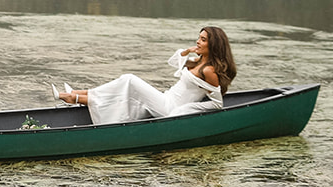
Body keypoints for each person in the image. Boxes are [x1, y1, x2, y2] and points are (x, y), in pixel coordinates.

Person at [55, 25, 236, 124]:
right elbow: (173, 63)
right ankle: (80, 94)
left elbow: (217, 104)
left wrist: (185, 111)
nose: (198, 41)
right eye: (199, 37)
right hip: (166, 99)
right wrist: (187, 51)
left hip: (171, 110)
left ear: (214, 45)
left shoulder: (209, 70)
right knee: (126, 94)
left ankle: (77, 97)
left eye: (203, 40)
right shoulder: (199, 61)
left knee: (130, 80)